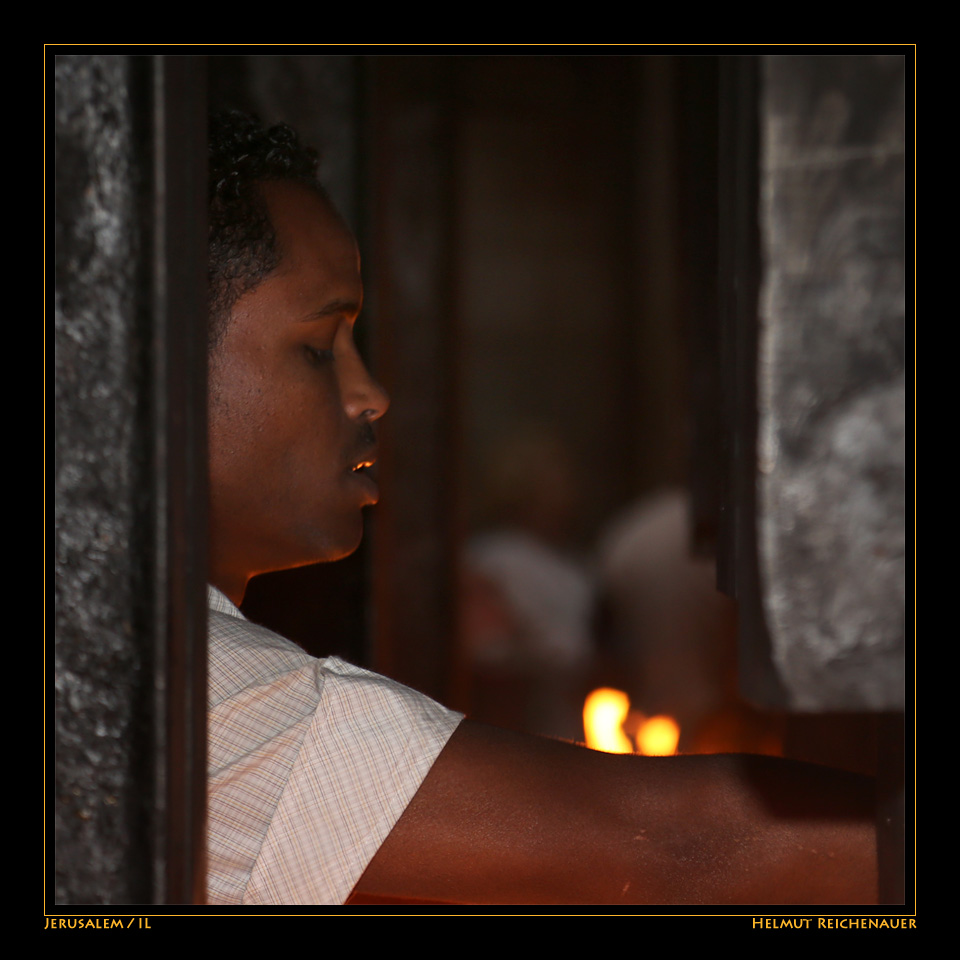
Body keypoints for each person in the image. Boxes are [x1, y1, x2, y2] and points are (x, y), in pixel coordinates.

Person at [205, 112, 877, 906]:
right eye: (320, 346)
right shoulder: (202, 687)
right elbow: (682, 846)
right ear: (157, 356)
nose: (371, 395)